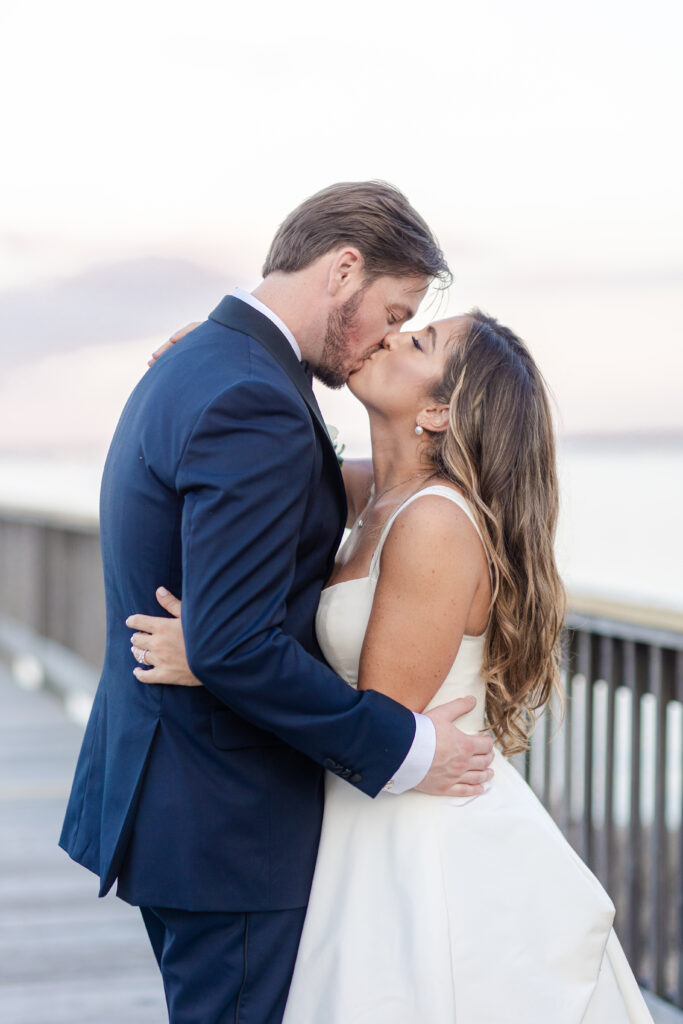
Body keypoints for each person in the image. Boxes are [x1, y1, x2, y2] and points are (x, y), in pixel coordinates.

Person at [135, 310, 654, 1022]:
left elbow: (375, 717)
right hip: (370, 814)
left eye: (417, 342)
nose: (385, 338)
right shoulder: (372, 495)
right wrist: (211, 357)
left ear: (439, 409)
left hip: (420, 838)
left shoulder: (434, 523)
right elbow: (267, 461)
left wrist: (217, 656)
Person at [59, 181, 495, 1024]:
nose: (386, 338)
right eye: (394, 309)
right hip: (230, 825)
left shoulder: (219, 367)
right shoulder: (251, 394)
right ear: (342, 270)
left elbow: (320, 516)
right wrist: (404, 749)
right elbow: (233, 642)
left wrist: (218, 650)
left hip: (189, 806)